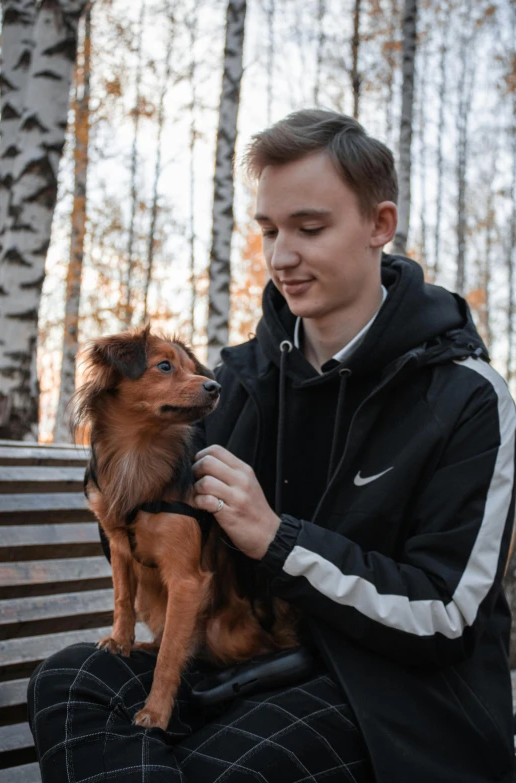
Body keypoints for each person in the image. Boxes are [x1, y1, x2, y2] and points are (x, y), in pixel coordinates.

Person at [28, 109, 515, 783]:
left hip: (396, 698)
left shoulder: (466, 399)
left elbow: (446, 614)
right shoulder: (236, 382)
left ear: (379, 225)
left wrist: (277, 538)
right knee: (69, 680)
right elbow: (167, 528)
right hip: (241, 651)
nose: (282, 255)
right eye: (269, 230)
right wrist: (108, 482)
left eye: (309, 228)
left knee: (216, 766)